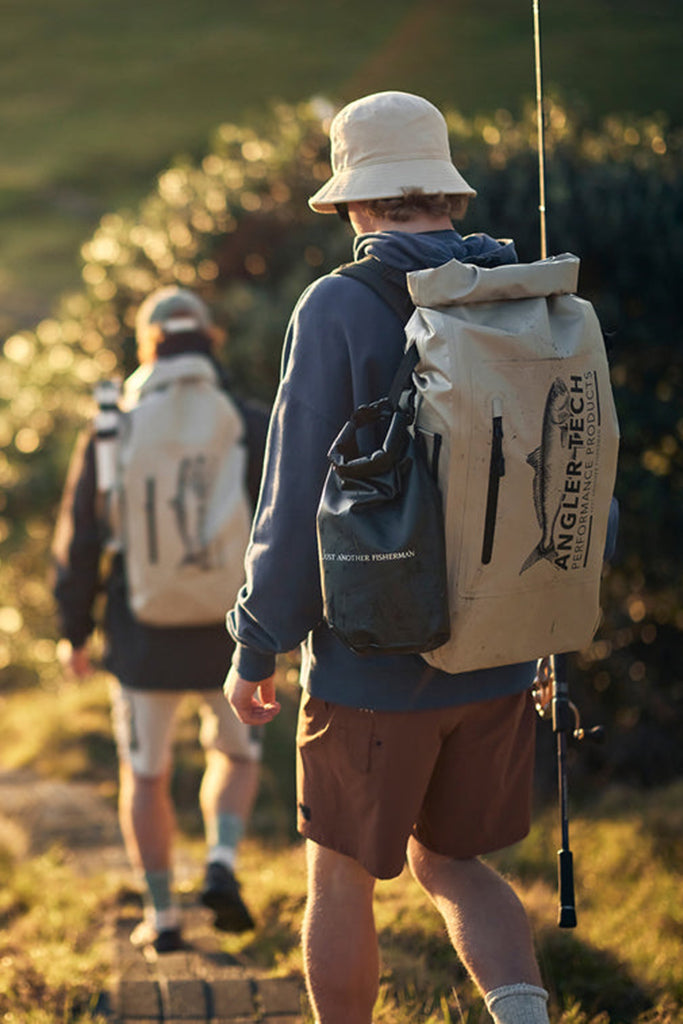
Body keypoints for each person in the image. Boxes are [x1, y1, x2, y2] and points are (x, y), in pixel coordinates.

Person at [225, 92, 552, 1024]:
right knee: (451, 861)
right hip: (499, 649)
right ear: (444, 193)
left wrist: (257, 646)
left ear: (355, 204)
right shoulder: (524, 289)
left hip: (374, 665)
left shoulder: (339, 304)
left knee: (338, 872)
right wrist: (548, 633)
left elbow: (294, 495)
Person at [53, 286, 269, 953]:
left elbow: (82, 537)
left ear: (148, 345)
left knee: (144, 775)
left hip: (141, 634)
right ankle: (222, 864)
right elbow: (281, 529)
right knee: (234, 755)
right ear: (209, 339)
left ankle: (163, 917)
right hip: (234, 632)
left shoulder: (113, 426)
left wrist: (74, 629)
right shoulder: (248, 418)